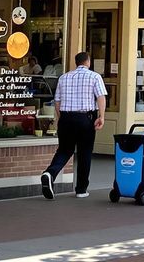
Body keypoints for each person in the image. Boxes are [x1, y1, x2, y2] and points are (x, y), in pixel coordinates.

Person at [40, 52, 106, 199]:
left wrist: (61, 118)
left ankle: (50, 173)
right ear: (88, 62)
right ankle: (81, 189)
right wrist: (101, 116)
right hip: (85, 118)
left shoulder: (64, 78)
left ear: (76, 62)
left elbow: (57, 101)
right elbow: (101, 97)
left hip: (66, 118)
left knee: (64, 150)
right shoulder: (95, 76)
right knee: (85, 153)